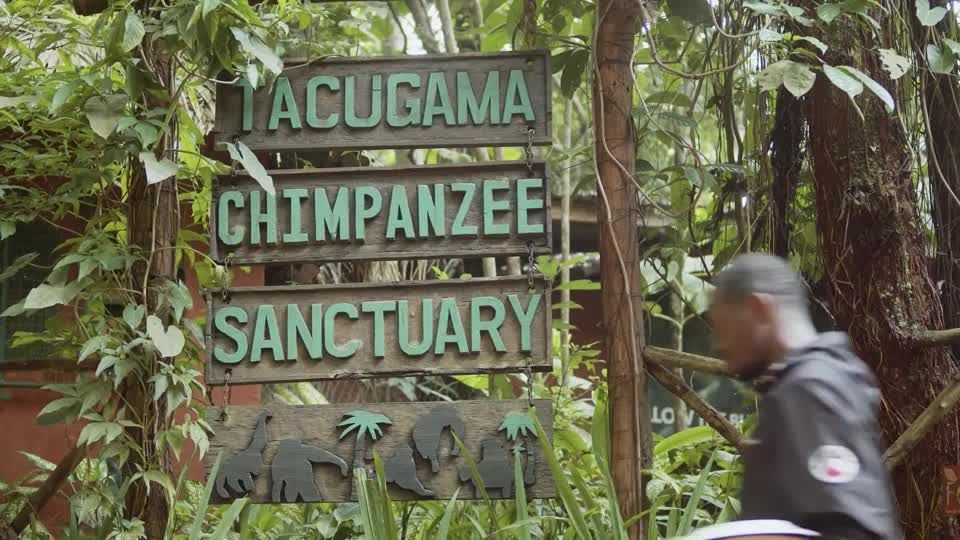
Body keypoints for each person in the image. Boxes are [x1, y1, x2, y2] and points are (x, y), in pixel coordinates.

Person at [708, 254, 902, 540]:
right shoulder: (803, 384)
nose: (719, 345)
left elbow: (850, 531)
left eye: (722, 328)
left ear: (758, 308)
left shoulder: (812, 388)